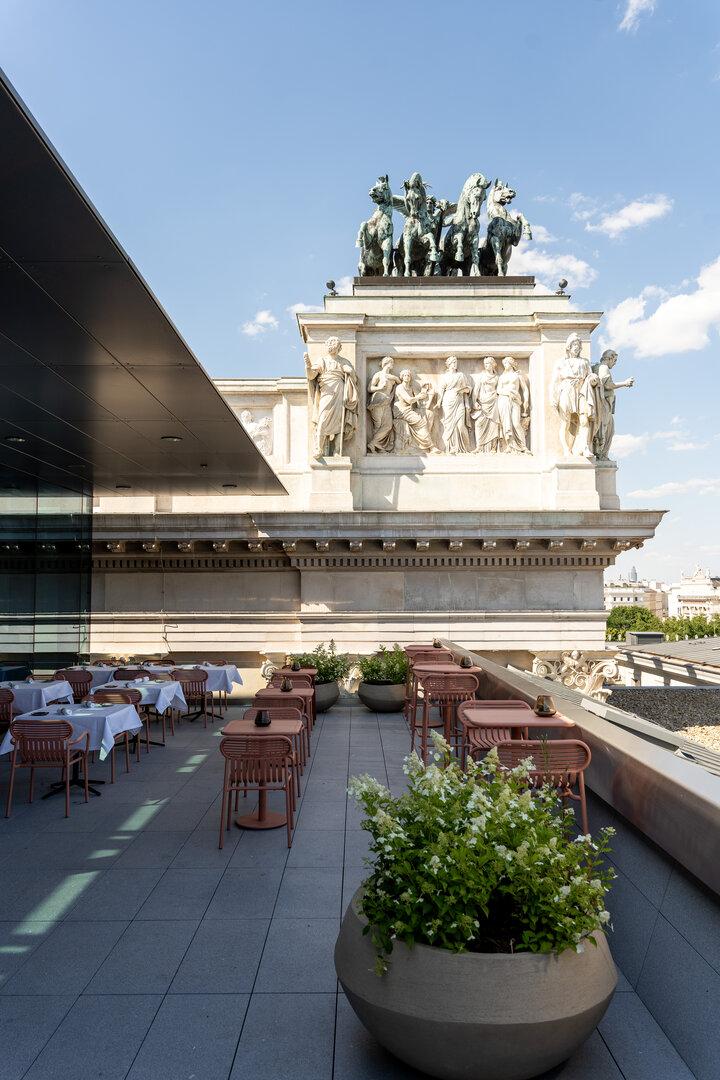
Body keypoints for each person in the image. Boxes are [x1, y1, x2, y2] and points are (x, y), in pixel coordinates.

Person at [304, 337, 359, 458]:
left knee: (340, 421)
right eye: (328, 343)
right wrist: (308, 366)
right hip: (326, 392)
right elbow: (311, 376)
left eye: (332, 344)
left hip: (340, 391)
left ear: (338, 348)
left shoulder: (344, 361)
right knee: (322, 419)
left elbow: (354, 380)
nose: (329, 345)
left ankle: (337, 450)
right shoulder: (322, 360)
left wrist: (351, 372)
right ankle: (318, 448)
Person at [551, 333, 598, 459]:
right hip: (566, 390)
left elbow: (590, 376)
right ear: (569, 346)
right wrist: (553, 398)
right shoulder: (561, 362)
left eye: (578, 345)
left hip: (582, 391)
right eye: (574, 344)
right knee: (565, 422)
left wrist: (594, 379)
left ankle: (585, 447)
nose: (577, 347)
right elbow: (555, 381)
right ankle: (566, 450)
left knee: (584, 420)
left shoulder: (584, 362)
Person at [592, 349, 634, 460]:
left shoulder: (597, 367)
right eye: (614, 360)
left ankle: (601, 454)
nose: (614, 363)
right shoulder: (603, 368)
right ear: (609, 358)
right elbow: (608, 385)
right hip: (604, 403)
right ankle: (600, 455)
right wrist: (625, 383)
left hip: (604, 403)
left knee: (607, 430)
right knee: (605, 430)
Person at [392, 370, 440, 453]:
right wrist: (419, 397)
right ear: (402, 377)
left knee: (428, 414)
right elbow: (409, 400)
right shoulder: (400, 387)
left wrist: (424, 390)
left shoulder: (410, 388)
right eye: (405, 375)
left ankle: (423, 443)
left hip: (409, 410)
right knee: (421, 422)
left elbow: (419, 402)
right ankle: (431, 446)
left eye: (408, 375)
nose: (407, 377)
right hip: (401, 411)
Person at [366, 357, 401, 453]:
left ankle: (373, 443)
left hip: (387, 402)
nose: (393, 364)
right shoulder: (378, 374)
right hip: (378, 400)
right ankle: (379, 448)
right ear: (386, 363)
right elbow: (370, 388)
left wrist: (395, 378)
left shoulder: (392, 377)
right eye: (391, 362)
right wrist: (380, 387)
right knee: (378, 425)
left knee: (388, 425)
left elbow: (399, 383)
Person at [497, 357, 530, 453]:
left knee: (516, 423)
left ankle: (523, 446)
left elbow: (525, 389)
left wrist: (526, 400)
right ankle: (509, 445)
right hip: (503, 399)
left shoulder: (517, 375)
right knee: (506, 423)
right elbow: (498, 390)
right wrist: (508, 393)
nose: (505, 365)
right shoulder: (502, 377)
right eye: (504, 364)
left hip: (515, 400)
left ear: (511, 364)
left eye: (506, 363)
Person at [439, 356, 471, 454]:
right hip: (448, 401)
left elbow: (468, 389)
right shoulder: (444, 377)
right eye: (453, 362)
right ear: (449, 364)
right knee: (449, 426)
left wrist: (462, 391)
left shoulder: (461, 375)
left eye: (456, 362)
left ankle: (466, 447)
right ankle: (451, 447)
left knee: (460, 425)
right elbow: (441, 391)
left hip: (459, 401)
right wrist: (438, 402)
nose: (455, 364)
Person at [471, 356, 500, 453]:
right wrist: (474, 401)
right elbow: (476, 390)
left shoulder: (497, 377)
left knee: (494, 424)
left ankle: (493, 447)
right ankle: (479, 446)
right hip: (483, 402)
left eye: (488, 363)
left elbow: (500, 390)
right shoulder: (481, 376)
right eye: (485, 363)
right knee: (479, 423)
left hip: (494, 402)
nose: (485, 365)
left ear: (492, 364)